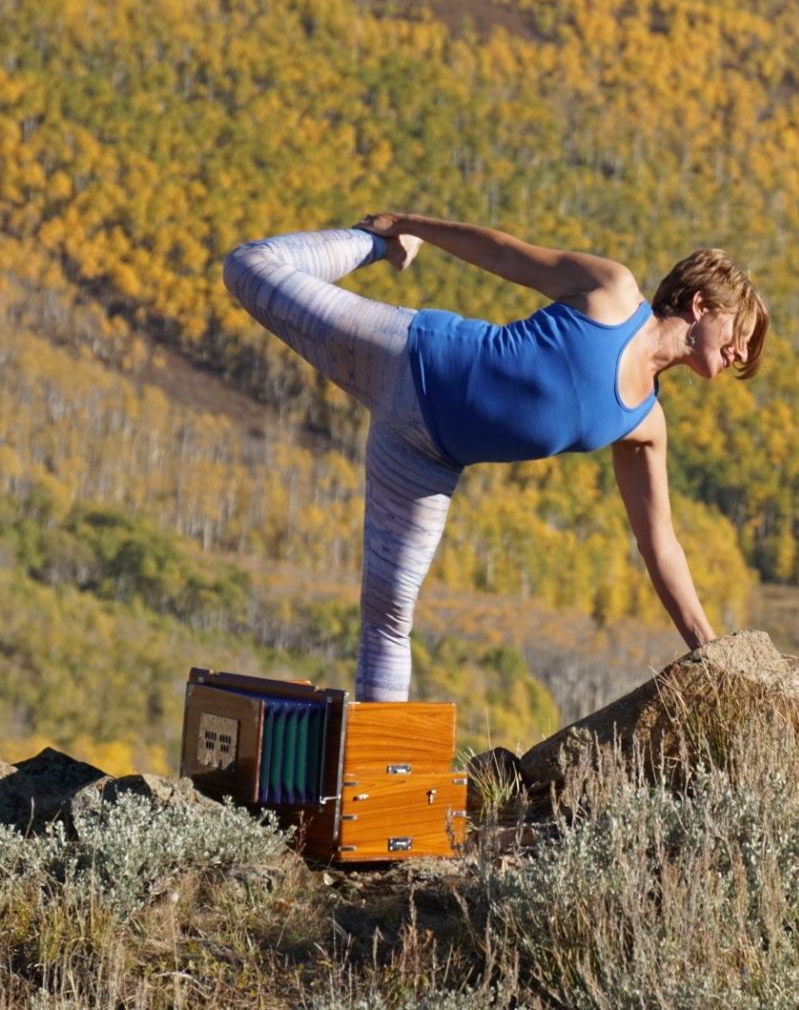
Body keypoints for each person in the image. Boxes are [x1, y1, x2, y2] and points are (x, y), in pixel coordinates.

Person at [223, 213, 768, 702]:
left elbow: (661, 544)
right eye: (738, 335)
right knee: (249, 268)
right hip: (406, 355)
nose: (740, 354)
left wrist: (708, 649)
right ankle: (375, 244)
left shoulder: (645, 424)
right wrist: (412, 226)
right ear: (701, 306)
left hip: (425, 460)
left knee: (388, 618)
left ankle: (375, 782)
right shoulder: (614, 293)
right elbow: (507, 255)